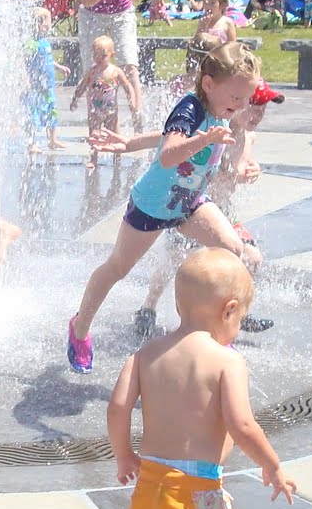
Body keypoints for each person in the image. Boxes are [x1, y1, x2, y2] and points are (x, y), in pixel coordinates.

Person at [106, 246, 295, 509]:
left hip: (150, 487)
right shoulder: (227, 361)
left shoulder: (145, 354)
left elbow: (117, 409)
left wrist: (124, 455)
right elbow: (242, 425)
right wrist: (272, 464)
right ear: (229, 310)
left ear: (178, 305)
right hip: (194, 492)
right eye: (241, 318)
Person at [65, 42, 262, 375]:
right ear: (209, 84)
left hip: (189, 202)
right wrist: (206, 139)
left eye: (247, 98)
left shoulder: (221, 110)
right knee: (117, 267)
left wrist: (132, 142)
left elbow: (165, 134)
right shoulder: (190, 108)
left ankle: (215, 333)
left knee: (233, 249)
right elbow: (170, 154)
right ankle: (80, 326)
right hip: (152, 205)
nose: (242, 106)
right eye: (236, 97)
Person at [71, 35, 128, 170]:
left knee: (114, 134)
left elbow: (127, 85)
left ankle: (117, 158)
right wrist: (75, 98)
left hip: (111, 110)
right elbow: (82, 86)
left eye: (103, 56)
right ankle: (93, 159)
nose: (98, 59)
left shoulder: (116, 71)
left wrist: (131, 97)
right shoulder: (92, 71)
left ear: (112, 55)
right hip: (94, 110)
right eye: (95, 55)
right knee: (94, 135)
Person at [24, 7, 62, 153]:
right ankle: (32, 143)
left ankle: (52, 140)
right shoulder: (31, 43)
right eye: (41, 20)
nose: (45, 24)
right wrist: (25, 79)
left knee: (52, 111)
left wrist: (59, 67)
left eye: (47, 20)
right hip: (35, 87)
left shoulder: (45, 42)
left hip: (47, 86)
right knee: (33, 115)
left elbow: (48, 60)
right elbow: (22, 61)